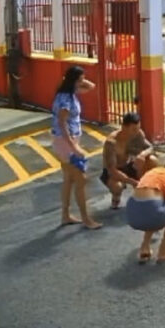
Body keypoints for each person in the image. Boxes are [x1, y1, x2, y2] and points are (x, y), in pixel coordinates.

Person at [51, 65, 101, 230]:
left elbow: (91, 86)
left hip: (64, 141)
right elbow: (62, 123)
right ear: (73, 81)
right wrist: (74, 148)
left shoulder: (68, 93)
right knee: (81, 179)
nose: (82, 83)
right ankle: (86, 219)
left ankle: (65, 215)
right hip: (66, 142)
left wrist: (79, 80)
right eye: (79, 80)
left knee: (69, 179)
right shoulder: (66, 99)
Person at [100, 112, 158, 209]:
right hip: (113, 171)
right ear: (123, 127)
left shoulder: (138, 133)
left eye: (138, 128)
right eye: (133, 130)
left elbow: (150, 147)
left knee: (152, 160)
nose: (136, 132)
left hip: (128, 165)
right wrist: (133, 182)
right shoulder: (111, 143)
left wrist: (142, 155)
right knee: (117, 187)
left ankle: (142, 191)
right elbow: (112, 170)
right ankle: (116, 197)